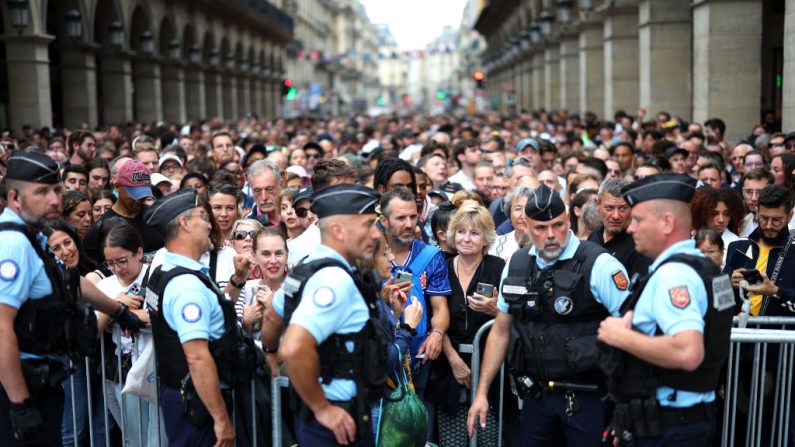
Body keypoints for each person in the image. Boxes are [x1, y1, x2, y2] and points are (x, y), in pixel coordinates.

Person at [467, 183, 630, 445]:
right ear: (526, 227)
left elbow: (630, 331)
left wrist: (626, 403)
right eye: (541, 228)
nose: (551, 235)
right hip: (536, 399)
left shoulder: (599, 264)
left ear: (568, 220)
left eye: (558, 225)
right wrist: (482, 392)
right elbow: (500, 331)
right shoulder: (518, 265)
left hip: (589, 398)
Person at [0, 151, 144, 446]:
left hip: (42, 378)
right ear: (14, 197)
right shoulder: (12, 245)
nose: (54, 199)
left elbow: (69, 281)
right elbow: (2, 329)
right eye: (41, 192)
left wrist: (117, 311)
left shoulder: (33, 233)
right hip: (21, 384)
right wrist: (19, 404)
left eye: (56, 189)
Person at [597, 173, 734, 445]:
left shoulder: (674, 277)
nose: (631, 228)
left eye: (638, 220)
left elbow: (688, 352)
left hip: (668, 421)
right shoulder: (702, 266)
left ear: (667, 223)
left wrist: (619, 336)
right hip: (677, 417)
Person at [261, 183, 390, 446]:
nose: (376, 235)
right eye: (367, 225)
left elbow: (273, 317)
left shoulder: (307, 267)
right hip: (337, 418)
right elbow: (296, 347)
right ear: (338, 231)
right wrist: (322, 408)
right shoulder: (334, 280)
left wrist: (271, 351)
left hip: (320, 415)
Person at [143, 188, 255, 447]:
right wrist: (221, 419)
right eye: (203, 216)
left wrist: (237, 280)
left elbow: (215, 313)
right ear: (184, 223)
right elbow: (197, 357)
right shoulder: (187, 285)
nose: (210, 223)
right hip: (198, 404)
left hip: (186, 395)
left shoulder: (168, 271)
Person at [433, 205, 504, 426]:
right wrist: (454, 361)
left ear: (486, 238)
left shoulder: (499, 267)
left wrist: (495, 310)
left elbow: (512, 319)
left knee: (488, 433)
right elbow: (436, 319)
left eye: (474, 233)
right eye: (461, 232)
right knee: (452, 434)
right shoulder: (441, 267)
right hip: (448, 363)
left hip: (490, 364)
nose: (466, 239)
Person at [95, 223, 163, 447]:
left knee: (158, 439)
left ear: (139, 253)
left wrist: (124, 315)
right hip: (124, 371)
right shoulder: (106, 286)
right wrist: (116, 305)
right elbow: (93, 329)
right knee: (134, 439)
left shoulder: (156, 275)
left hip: (156, 369)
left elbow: (160, 316)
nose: (116, 268)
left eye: (122, 261)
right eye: (110, 263)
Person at [725, 184, 795, 316]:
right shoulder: (738, 246)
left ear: (790, 216)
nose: (769, 225)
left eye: (776, 220)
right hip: (738, 334)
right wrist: (730, 284)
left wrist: (775, 291)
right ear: (756, 212)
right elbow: (718, 300)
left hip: (780, 335)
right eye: (763, 218)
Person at [83, 159, 164, 261]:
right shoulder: (100, 228)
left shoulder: (157, 217)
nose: (139, 200)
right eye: (134, 194)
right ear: (117, 187)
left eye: (143, 195)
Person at [589, 178, 652, 278]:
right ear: (598, 205)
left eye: (623, 208)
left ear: (632, 206)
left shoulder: (639, 246)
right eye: (609, 208)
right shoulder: (594, 236)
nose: (616, 216)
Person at [236, 228, 287, 339]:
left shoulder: (298, 288)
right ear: (254, 256)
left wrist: (274, 308)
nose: (273, 261)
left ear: (287, 255)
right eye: (266, 254)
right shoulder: (245, 290)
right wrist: (244, 322)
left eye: (278, 253)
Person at [489, 186, 532, 263]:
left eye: (528, 209)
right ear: (509, 213)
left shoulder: (543, 244)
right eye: (518, 209)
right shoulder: (496, 243)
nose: (523, 216)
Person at [738, 168, 774, 237]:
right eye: (748, 191)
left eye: (760, 192)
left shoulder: (783, 226)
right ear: (743, 192)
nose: (753, 198)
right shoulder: (741, 224)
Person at [245, 159, 281, 227]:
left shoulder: (297, 215)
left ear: (280, 185)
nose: (264, 197)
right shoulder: (247, 226)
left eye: (269, 189)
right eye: (257, 191)